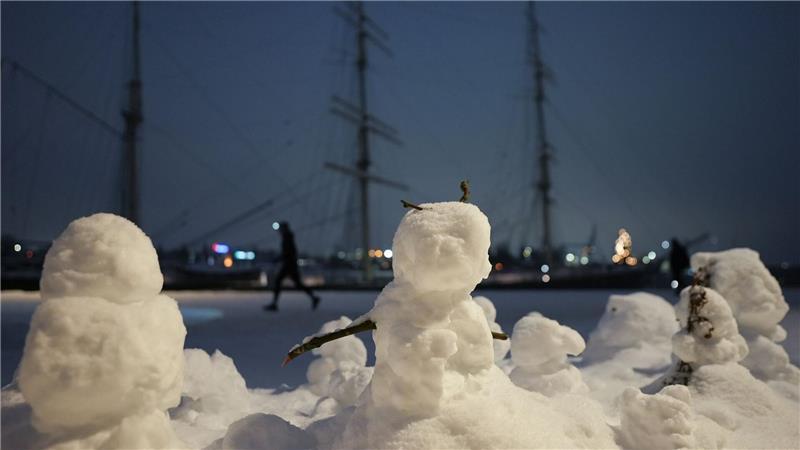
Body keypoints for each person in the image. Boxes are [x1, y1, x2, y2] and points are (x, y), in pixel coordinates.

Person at [265, 222, 320, 311]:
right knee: (297, 284)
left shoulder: (287, 238)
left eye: (281, 229)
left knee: (279, 281)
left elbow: (288, 253)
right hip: (290, 264)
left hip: (289, 265)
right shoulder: (288, 237)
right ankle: (314, 298)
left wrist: (278, 259)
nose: (279, 231)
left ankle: (274, 304)